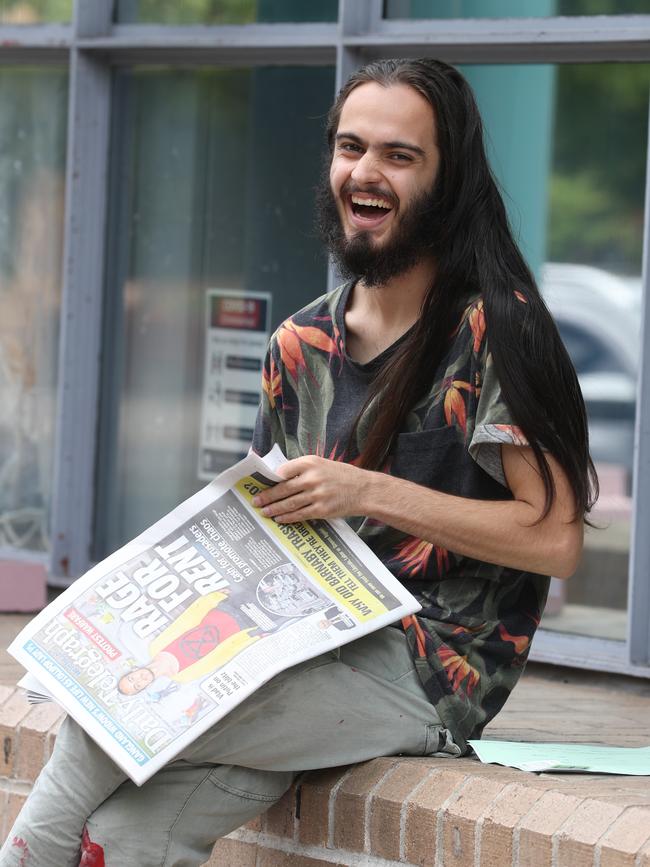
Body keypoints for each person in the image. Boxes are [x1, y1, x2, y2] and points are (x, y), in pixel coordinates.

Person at [0, 58, 596, 867]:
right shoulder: (300, 342)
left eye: (399, 154)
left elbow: (556, 539)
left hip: (427, 670)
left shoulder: (498, 330)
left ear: (447, 179)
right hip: (298, 644)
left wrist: (370, 491)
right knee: (132, 832)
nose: (366, 172)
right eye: (351, 147)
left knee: (123, 698)